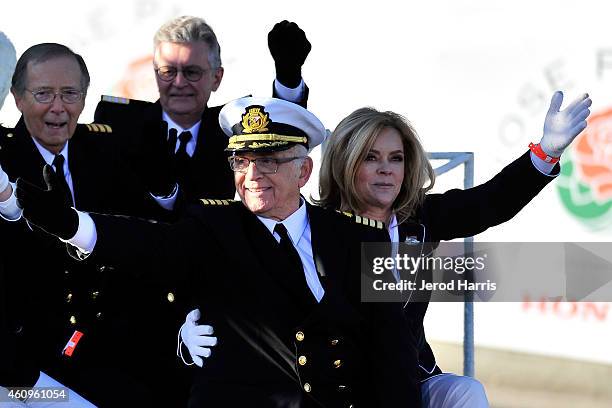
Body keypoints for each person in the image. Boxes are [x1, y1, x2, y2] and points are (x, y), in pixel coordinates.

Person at [178, 91, 591, 407]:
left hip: (410, 377)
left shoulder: (421, 218)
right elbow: (231, 257)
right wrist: (187, 324)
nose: (385, 169)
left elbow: (492, 202)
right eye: (371, 157)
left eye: (396, 158)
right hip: (340, 384)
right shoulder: (316, 226)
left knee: (464, 392)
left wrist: (546, 151)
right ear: (345, 162)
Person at [15, 96, 422, 407]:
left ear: (303, 171)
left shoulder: (360, 239)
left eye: (269, 161)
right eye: (241, 161)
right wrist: (70, 223)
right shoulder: (213, 230)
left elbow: (393, 347)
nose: (252, 175)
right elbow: (144, 245)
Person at [0, 43, 185, 407]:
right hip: (30, 362)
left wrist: (164, 184)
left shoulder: (107, 150)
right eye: (43, 94)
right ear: (17, 98)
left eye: (70, 94)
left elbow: (156, 233)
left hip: (114, 344)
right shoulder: (3, 160)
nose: (58, 107)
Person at [94, 16, 312, 204]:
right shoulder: (120, 122)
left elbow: (284, 137)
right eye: (168, 71)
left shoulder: (234, 127)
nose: (178, 83)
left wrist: (288, 77)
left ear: (216, 78)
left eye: (192, 72)